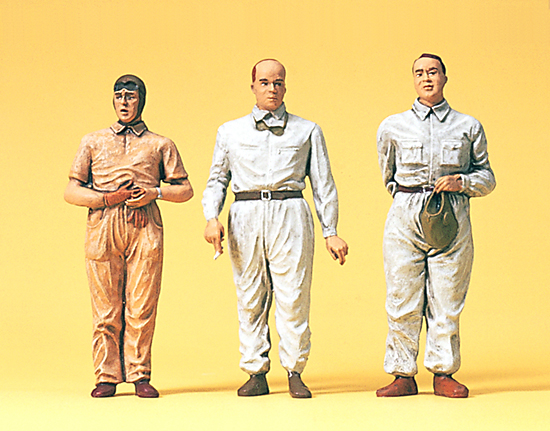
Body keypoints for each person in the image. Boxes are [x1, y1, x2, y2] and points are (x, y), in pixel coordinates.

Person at [202, 59, 348, 398]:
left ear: (285, 86)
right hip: (246, 213)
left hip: (290, 211)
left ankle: (295, 370)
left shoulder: (307, 130)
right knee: (250, 295)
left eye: (278, 82)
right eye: (265, 82)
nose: (272, 88)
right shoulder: (230, 131)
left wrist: (331, 230)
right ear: (253, 86)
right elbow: (217, 179)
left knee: (293, 294)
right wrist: (212, 217)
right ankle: (255, 371)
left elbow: (323, 183)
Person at [64, 75, 193, 398]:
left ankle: (139, 373)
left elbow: (185, 189)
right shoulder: (93, 141)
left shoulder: (160, 144)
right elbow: (71, 191)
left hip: (144, 225)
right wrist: (106, 198)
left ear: (141, 100)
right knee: (105, 306)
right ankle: (106, 374)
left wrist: (154, 192)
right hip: (103, 225)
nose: (124, 101)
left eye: (131, 96)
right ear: (112, 99)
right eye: (119, 95)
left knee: (142, 304)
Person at [376, 54, 496, 398]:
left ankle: (444, 372)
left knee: (447, 298)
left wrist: (462, 182)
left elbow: (487, 177)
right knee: (401, 297)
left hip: (451, 217)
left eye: (433, 72)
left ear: (444, 77)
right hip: (405, 216)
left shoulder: (467, 126)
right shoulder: (392, 126)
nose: (426, 78)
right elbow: (388, 175)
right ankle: (402, 374)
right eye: (419, 73)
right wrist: (410, 201)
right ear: (413, 79)